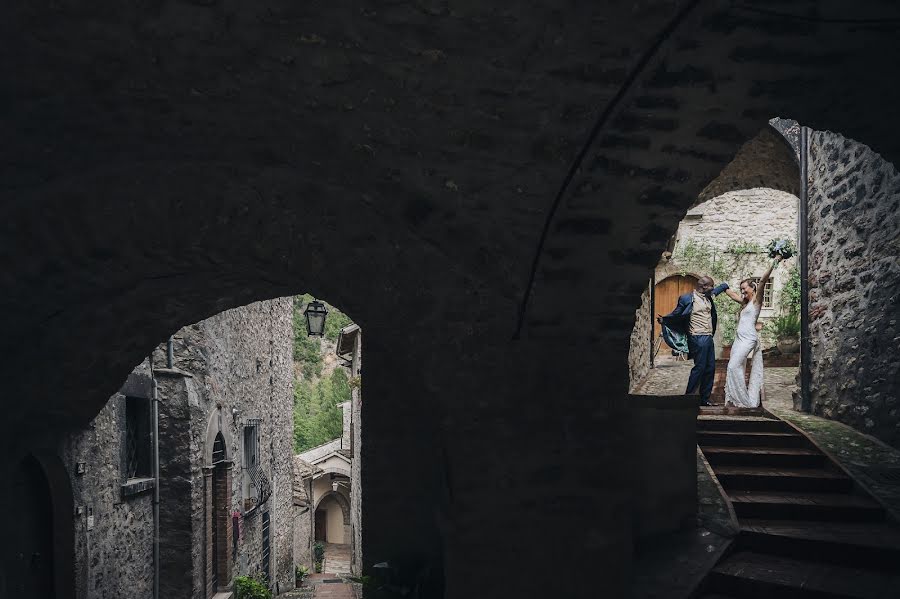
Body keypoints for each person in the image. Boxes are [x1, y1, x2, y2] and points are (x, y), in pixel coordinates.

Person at [657, 276, 730, 406]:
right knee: (700, 367)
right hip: (697, 337)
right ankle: (689, 397)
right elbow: (677, 313)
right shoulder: (687, 298)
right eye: (711, 286)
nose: (713, 289)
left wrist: (725, 285)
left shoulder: (708, 296)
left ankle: (704, 399)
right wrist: (666, 320)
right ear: (704, 287)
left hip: (708, 337)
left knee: (710, 368)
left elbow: (717, 290)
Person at [721, 257, 782, 408]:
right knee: (736, 366)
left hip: (749, 339)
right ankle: (737, 399)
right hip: (739, 339)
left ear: (753, 288)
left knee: (732, 366)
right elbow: (734, 295)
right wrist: (724, 287)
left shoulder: (757, 300)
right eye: (741, 289)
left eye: (744, 288)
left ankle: (744, 400)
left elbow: (763, 281)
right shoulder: (745, 302)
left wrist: (775, 261)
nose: (742, 291)